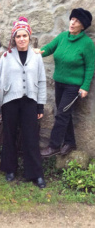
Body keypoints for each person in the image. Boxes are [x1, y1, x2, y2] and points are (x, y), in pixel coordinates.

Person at [0, 17, 47, 188]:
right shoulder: (7, 56)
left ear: (29, 37)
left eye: (24, 35)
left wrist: (40, 104)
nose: (21, 39)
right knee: (9, 135)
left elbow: (42, 81)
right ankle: (10, 169)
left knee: (31, 137)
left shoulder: (36, 57)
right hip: (10, 101)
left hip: (30, 101)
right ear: (13, 39)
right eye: (18, 36)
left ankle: (35, 173)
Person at [38, 8, 95, 157]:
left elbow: (90, 66)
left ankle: (54, 145)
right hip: (59, 83)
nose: (72, 22)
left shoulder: (87, 43)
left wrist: (85, 87)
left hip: (73, 86)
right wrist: (38, 52)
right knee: (65, 113)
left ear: (83, 26)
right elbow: (49, 48)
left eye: (77, 21)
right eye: (72, 19)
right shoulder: (63, 37)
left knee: (61, 114)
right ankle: (70, 142)